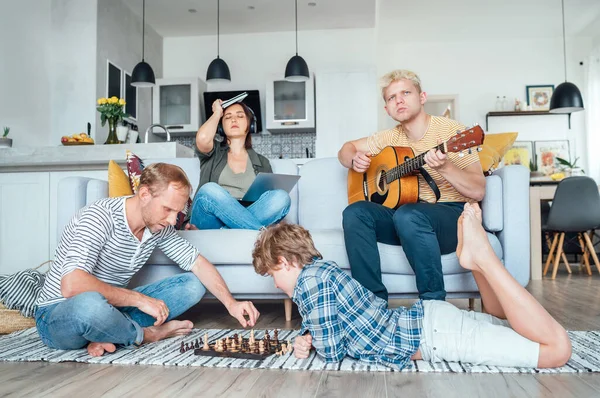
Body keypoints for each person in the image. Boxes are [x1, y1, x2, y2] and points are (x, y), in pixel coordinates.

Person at [251, 204, 572, 370]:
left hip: (436, 336)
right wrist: (309, 335)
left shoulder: (307, 284)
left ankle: (483, 258)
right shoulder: (322, 271)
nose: (277, 285)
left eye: (272, 275)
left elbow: (332, 352)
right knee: (507, 322)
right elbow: (328, 322)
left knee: (557, 350)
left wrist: (308, 345)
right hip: (432, 319)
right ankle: (478, 266)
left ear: (285, 261)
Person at [35, 163, 260, 357]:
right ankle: (145, 335)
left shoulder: (158, 227)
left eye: (178, 213)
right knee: (91, 305)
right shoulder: (98, 217)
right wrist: (140, 299)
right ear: (144, 195)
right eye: (168, 209)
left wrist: (232, 303)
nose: (173, 220)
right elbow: (72, 285)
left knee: (192, 285)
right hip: (57, 314)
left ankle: (111, 333)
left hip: (113, 310)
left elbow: (198, 263)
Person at [338, 69, 486, 302]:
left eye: (406, 92)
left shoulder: (452, 132)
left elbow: (478, 190)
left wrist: (445, 167)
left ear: (422, 97)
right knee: (355, 212)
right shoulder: (388, 138)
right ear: (387, 109)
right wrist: (353, 159)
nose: (399, 100)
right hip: (405, 220)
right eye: (391, 97)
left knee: (409, 214)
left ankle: (434, 305)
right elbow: (346, 148)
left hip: (452, 217)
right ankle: (371, 303)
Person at [188, 100, 291, 230]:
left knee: (281, 197)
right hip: (210, 220)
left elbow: (268, 202)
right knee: (209, 190)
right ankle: (257, 232)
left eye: (240, 116)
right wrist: (217, 113)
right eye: (228, 117)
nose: (234, 120)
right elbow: (202, 138)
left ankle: (229, 230)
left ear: (250, 124)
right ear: (221, 126)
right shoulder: (213, 153)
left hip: (249, 214)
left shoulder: (262, 162)